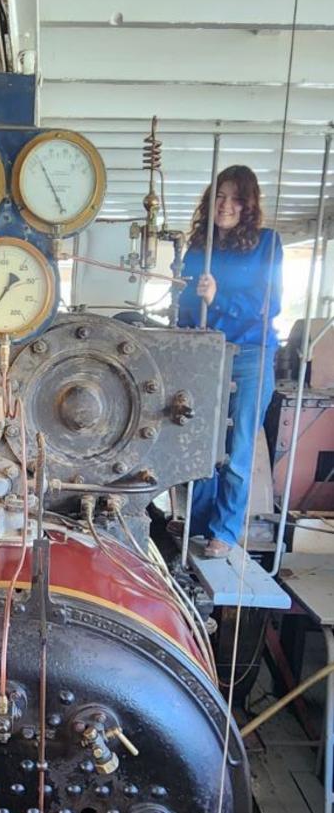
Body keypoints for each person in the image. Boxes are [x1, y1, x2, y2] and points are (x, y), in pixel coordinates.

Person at [176, 166, 283, 558]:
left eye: (236, 198)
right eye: (220, 196)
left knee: (238, 450)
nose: (226, 205)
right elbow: (186, 306)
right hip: (207, 353)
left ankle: (224, 530)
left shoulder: (267, 244)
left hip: (252, 353)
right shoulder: (199, 247)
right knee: (201, 444)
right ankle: (199, 525)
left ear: (248, 205)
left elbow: (270, 304)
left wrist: (218, 298)